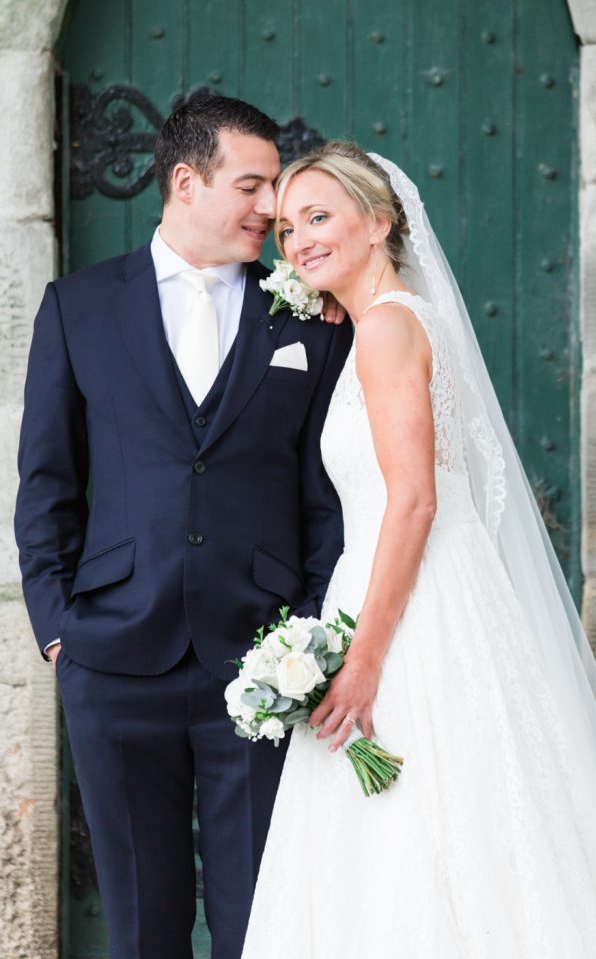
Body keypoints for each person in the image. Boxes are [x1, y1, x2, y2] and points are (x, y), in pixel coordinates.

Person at [241, 141, 596, 958]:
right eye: (284, 229)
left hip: (405, 616)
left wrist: (364, 656)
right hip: (424, 591)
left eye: (317, 217)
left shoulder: (384, 331)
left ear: (378, 223)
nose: (296, 241)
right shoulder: (402, 319)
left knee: (418, 831)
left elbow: (413, 498)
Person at [14, 93, 352, 959]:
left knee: (263, 924)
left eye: (275, 186)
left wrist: (310, 629)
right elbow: (47, 482)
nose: (272, 209)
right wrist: (60, 632)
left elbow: (327, 490)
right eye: (252, 185)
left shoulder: (307, 316)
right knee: (140, 928)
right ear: (184, 181)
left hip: (263, 661)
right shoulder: (78, 307)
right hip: (115, 660)